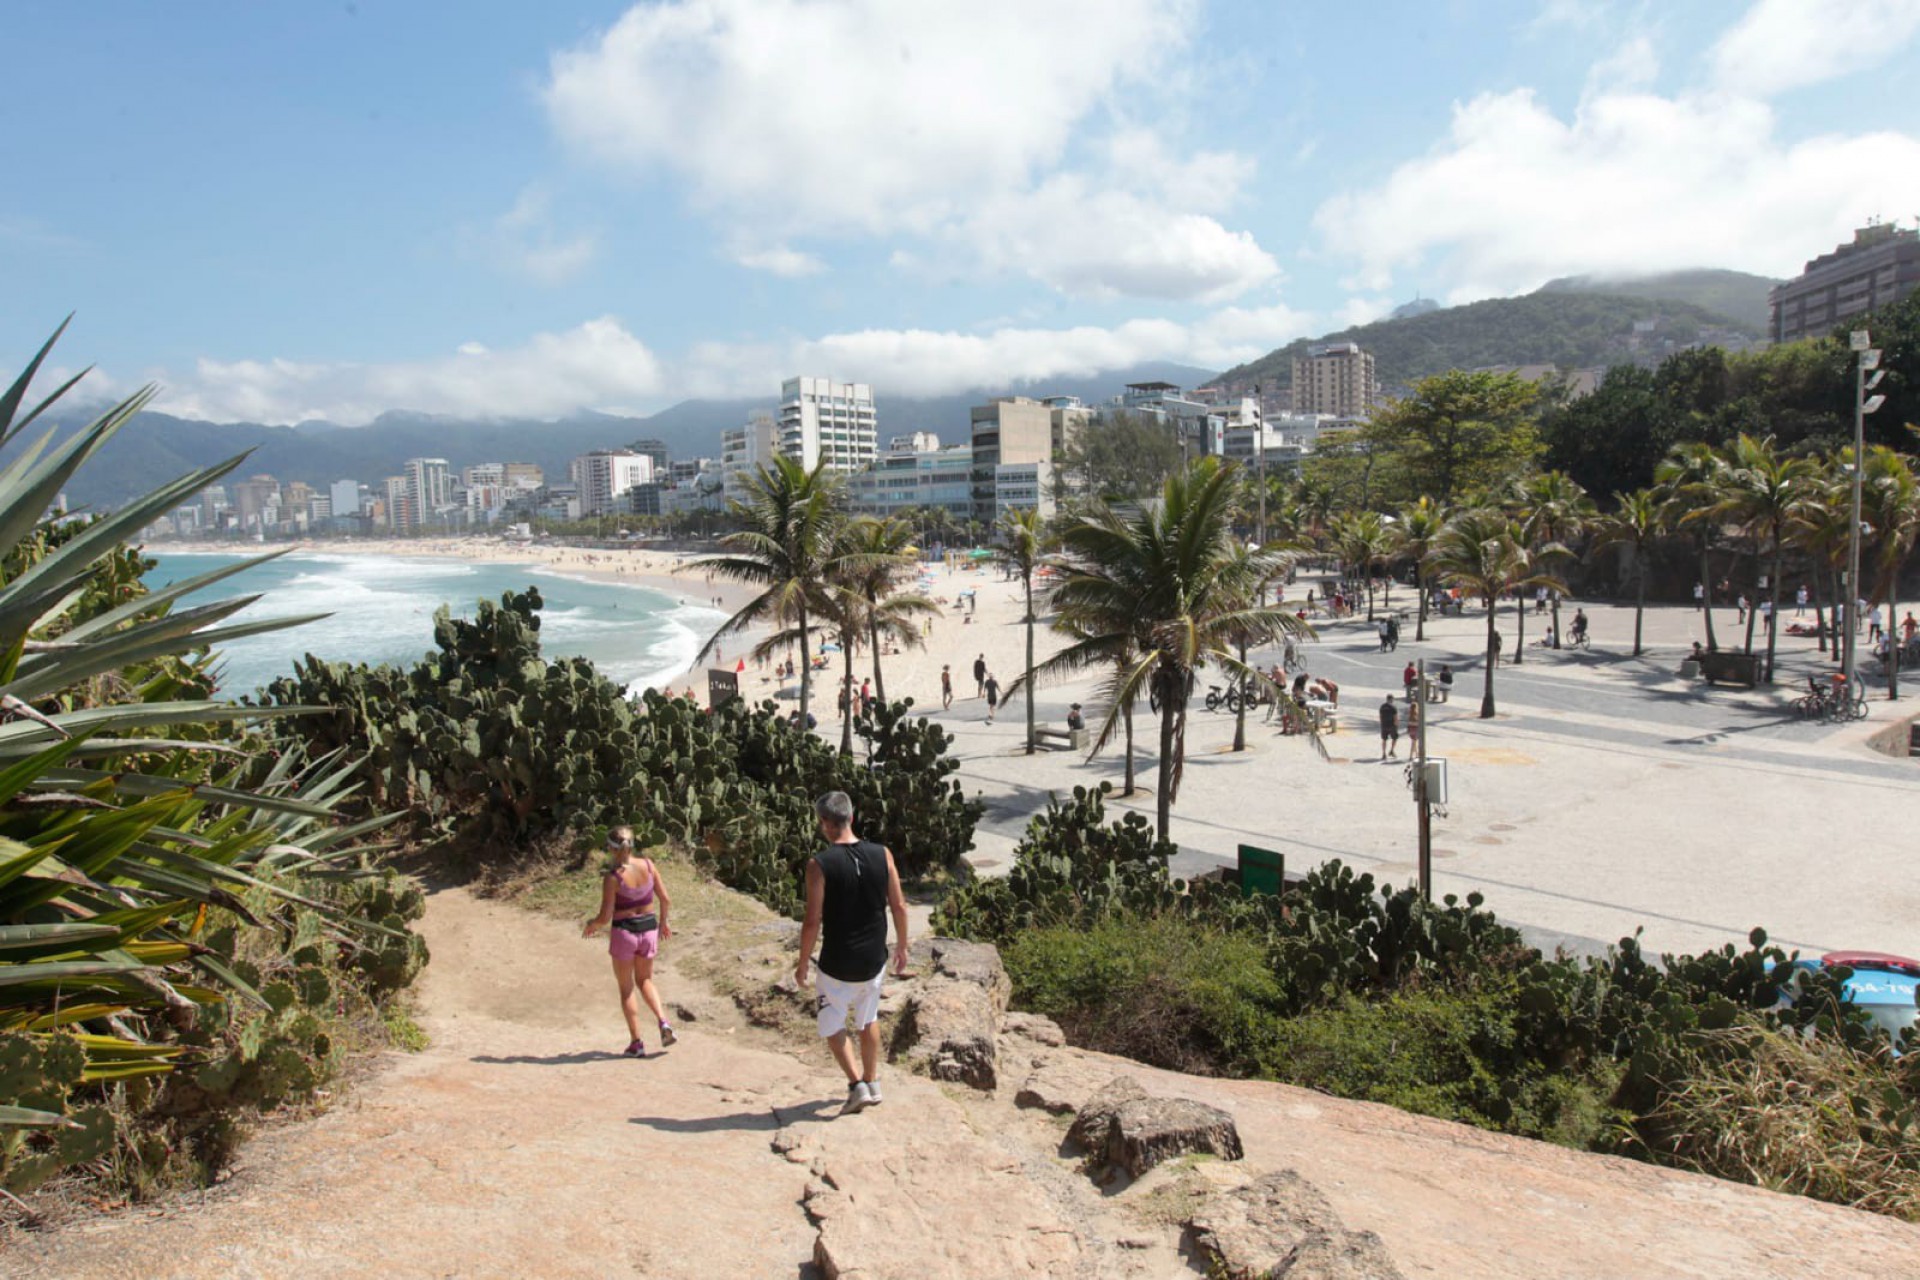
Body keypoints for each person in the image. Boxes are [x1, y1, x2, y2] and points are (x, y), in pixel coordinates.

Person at [795, 791, 910, 1116]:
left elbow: (812, 920)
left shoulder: (819, 865)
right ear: (851, 818)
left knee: (832, 1024)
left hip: (838, 961)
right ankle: (872, 1082)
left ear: (825, 824)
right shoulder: (882, 854)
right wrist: (902, 945)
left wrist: (803, 962)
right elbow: (899, 905)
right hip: (875, 958)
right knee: (868, 1017)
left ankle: (856, 1084)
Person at [582, 826, 675, 1058]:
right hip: (649, 929)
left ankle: (636, 1043)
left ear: (611, 849)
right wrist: (663, 923)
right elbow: (665, 899)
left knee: (626, 989)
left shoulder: (613, 878)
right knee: (645, 980)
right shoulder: (649, 866)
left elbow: (605, 917)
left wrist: (592, 924)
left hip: (625, 932)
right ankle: (663, 1022)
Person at [1379, 694, 1399, 760]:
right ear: (1391, 699)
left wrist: (1382, 723)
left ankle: (1384, 753)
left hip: (1384, 725)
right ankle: (1391, 750)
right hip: (1392, 725)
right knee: (1395, 738)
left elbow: (1380, 716)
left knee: (1384, 739)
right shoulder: (1393, 707)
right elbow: (1395, 718)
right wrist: (1396, 725)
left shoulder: (1382, 706)